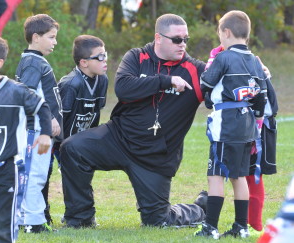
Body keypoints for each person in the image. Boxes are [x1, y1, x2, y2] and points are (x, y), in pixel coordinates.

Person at [60, 13, 207, 229]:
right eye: (177, 39)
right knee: (72, 148)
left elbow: (224, 83)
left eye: (186, 39)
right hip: (118, 139)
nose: (182, 44)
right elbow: (123, 89)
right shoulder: (137, 57)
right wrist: (165, 81)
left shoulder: (195, 70)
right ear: (159, 38)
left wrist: (255, 71)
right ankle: (80, 218)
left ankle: (201, 207)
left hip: (155, 156)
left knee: (157, 221)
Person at [195, 10, 268, 239]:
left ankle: (210, 228)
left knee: (216, 175)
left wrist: (208, 95)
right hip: (247, 125)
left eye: (220, 35)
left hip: (226, 124)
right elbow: (261, 97)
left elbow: (205, 81)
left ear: (226, 32)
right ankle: (241, 227)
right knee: (239, 176)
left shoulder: (223, 57)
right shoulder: (255, 60)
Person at [0, 35, 51, 243]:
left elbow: (42, 107)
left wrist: (45, 134)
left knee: (2, 224)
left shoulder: (15, 91)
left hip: (5, 169)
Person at [44, 35, 108, 224]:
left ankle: (78, 214)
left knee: (82, 175)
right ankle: (66, 216)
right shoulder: (71, 85)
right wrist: (63, 146)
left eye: (106, 55)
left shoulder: (102, 81)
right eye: (100, 57)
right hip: (60, 141)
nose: (105, 61)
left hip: (81, 142)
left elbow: (95, 114)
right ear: (84, 62)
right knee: (69, 175)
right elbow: (59, 119)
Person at [15, 14, 63, 233]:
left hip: (39, 131)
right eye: (51, 37)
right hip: (35, 131)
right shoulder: (33, 62)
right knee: (34, 175)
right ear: (36, 37)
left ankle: (31, 220)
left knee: (38, 175)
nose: (54, 42)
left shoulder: (36, 61)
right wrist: (49, 119)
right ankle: (32, 223)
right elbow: (27, 95)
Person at [247, 76, 278, 234]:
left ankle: (254, 224)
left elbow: (268, 106)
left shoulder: (255, 69)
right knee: (244, 176)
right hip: (245, 125)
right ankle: (245, 222)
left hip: (259, 128)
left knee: (253, 175)